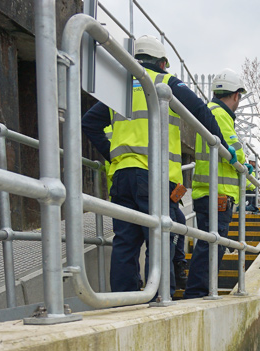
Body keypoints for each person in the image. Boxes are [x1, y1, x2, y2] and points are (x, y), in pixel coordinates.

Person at [81, 35, 227, 296]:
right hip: (156, 177)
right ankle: (159, 298)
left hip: (122, 176)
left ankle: (124, 300)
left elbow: (89, 123)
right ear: (162, 63)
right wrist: (222, 146)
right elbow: (201, 111)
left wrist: (114, 156)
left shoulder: (122, 89)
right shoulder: (166, 82)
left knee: (125, 242)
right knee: (159, 238)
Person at [183, 69, 247, 299]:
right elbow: (235, 151)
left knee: (210, 242)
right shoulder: (220, 114)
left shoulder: (211, 111)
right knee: (212, 244)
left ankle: (200, 291)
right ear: (236, 95)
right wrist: (244, 165)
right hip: (217, 193)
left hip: (207, 191)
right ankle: (197, 294)